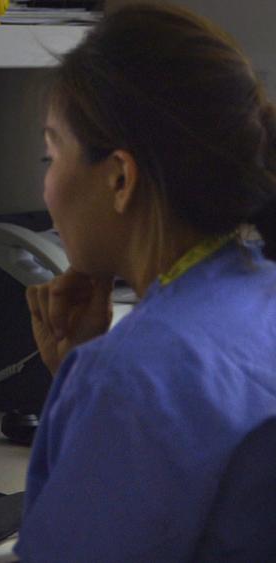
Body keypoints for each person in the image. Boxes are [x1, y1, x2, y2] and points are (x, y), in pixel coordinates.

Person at [15, 4, 276, 561]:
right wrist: (81, 385)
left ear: (118, 178)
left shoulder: (131, 378)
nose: (46, 189)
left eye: (50, 152)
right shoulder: (262, 294)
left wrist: (97, 385)